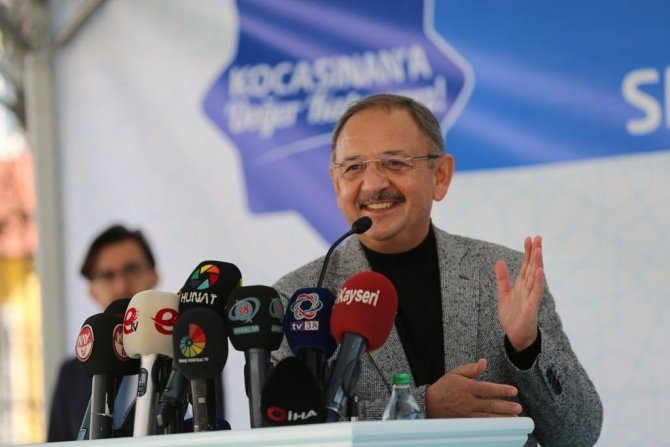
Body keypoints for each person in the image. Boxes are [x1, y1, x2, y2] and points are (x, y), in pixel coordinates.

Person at [273, 93, 603, 446]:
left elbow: (578, 434)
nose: (373, 184)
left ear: (441, 175)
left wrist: (527, 346)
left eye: (395, 163)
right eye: (353, 167)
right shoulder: (302, 299)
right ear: (336, 182)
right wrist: (423, 406)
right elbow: (285, 433)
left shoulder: (503, 276)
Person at [47, 224, 159, 441]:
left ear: (153, 276)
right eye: (107, 275)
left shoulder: (184, 360)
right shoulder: (71, 375)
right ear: (92, 291)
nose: (121, 286)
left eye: (131, 270)